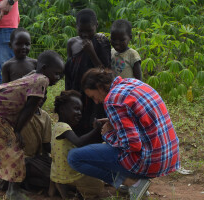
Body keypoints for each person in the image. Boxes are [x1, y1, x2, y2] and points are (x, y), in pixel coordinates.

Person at [67, 68, 180, 200]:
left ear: (99, 87)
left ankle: (133, 183)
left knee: (74, 157)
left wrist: (108, 134)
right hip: (168, 157)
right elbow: (139, 119)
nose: (96, 101)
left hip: (149, 162)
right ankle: (136, 182)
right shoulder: (133, 83)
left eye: (93, 96)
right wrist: (113, 121)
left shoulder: (112, 100)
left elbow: (132, 145)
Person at [0, 50, 64, 200]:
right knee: (14, 147)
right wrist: (17, 131)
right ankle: (13, 191)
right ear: (44, 68)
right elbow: (29, 108)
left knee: (5, 148)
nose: (57, 79)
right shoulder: (42, 80)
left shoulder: (33, 74)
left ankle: (6, 182)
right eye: (56, 74)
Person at [0, 28, 51, 193]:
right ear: (11, 45)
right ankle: (5, 177)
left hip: (32, 110)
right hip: (15, 111)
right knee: (11, 144)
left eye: (27, 44)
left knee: (30, 144)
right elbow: (4, 90)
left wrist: (40, 102)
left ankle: (27, 172)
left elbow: (41, 87)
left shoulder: (34, 63)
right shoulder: (7, 65)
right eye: (19, 44)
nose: (24, 47)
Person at [64, 8, 111, 136]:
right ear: (76, 26)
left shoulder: (101, 42)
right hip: (76, 90)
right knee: (76, 121)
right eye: (81, 31)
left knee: (92, 123)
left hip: (94, 94)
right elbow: (69, 71)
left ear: (96, 26)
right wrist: (67, 93)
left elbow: (105, 71)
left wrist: (91, 52)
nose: (85, 34)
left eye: (89, 31)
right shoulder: (72, 43)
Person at [50, 90, 103, 199]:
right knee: (99, 185)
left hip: (57, 174)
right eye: (76, 108)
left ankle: (64, 191)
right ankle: (76, 190)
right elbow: (79, 142)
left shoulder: (57, 127)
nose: (79, 113)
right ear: (62, 109)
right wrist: (96, 130)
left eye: (81, 110)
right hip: (70, 174)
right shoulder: (64, 127)